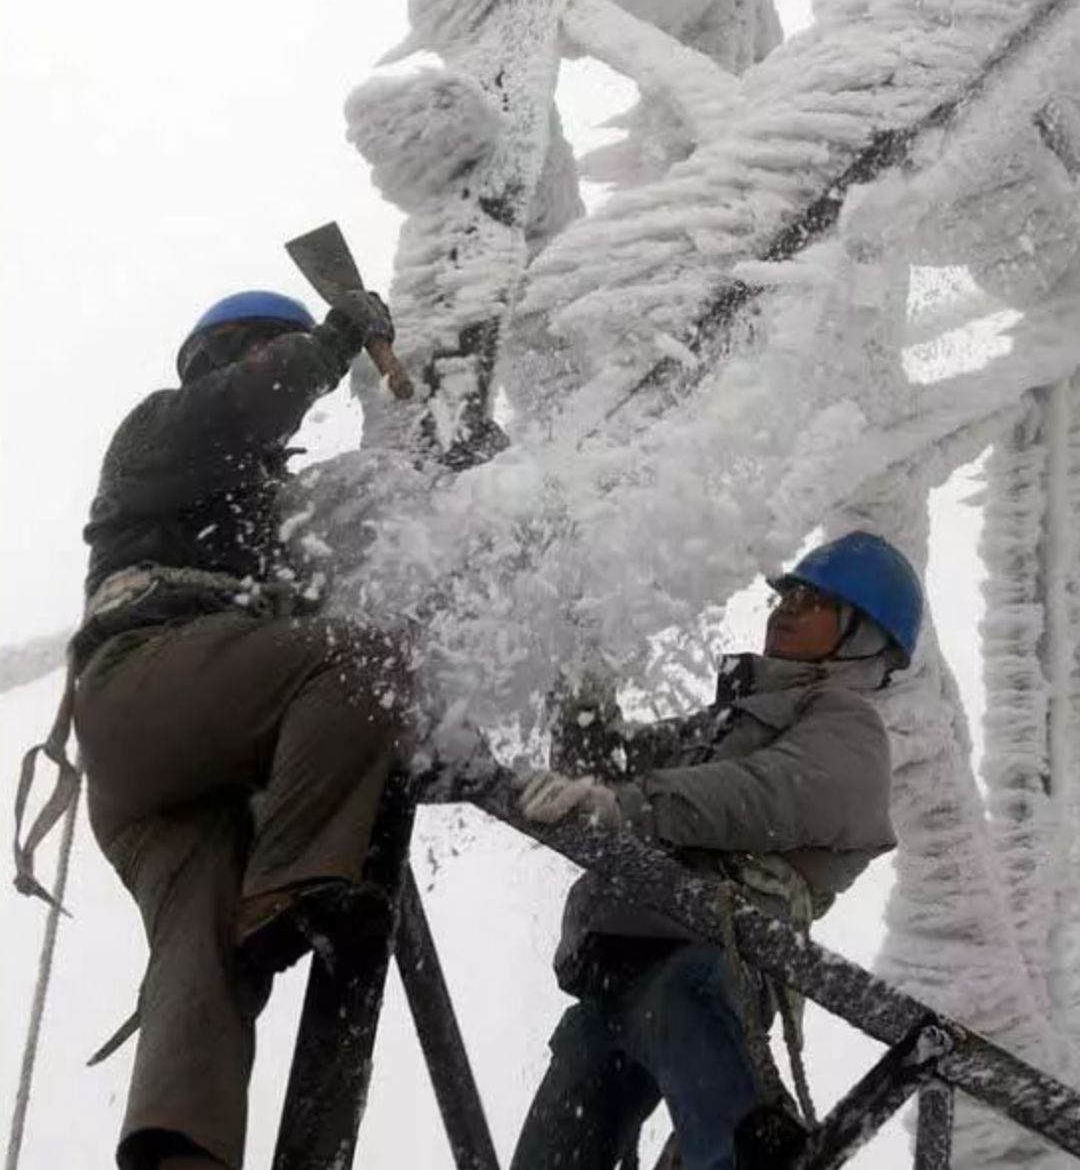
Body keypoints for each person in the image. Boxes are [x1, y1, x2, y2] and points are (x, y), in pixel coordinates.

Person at [69, 287, 416, 1170]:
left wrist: (451, 466)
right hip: (147, 678)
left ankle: (181, 1148)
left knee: (206, 953)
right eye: (274, 358)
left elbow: (379, 514)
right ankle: (295, 884)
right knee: (359, 658)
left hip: (168, 765)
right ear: (230, 354)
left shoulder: (274, 508)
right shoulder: (163, 430)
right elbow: (245, 401)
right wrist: (337, 340)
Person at [511, 532, 923, 1170]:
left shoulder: (846, 724)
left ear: (862, 634)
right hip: (618, 969)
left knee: (691, 1013)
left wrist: (626, 804)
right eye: (785, 593)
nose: (785, 606)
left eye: (811, 599)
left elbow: (768, 794)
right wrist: (582, 685)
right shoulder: (726, 723)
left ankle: (752, 1153)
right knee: (566, 1122)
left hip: (705, 953)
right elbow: (609, 772)